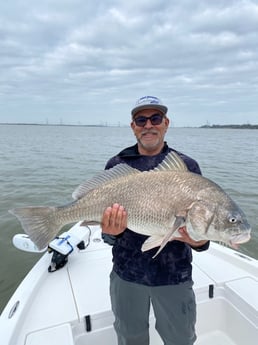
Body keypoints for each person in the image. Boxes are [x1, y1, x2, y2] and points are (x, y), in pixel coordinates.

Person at [101, 96, 210, 345]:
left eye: (155, 118)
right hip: (126, 273)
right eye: (141, 119)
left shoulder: (187, 166)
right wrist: (111, 232)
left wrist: (199, 242)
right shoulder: (117, 164)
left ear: (166, 123)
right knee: (130, 338)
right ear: (133, 126)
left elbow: (201, 230)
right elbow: (107, 236)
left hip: (174, 276)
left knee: (181, 339)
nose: (148, 125)